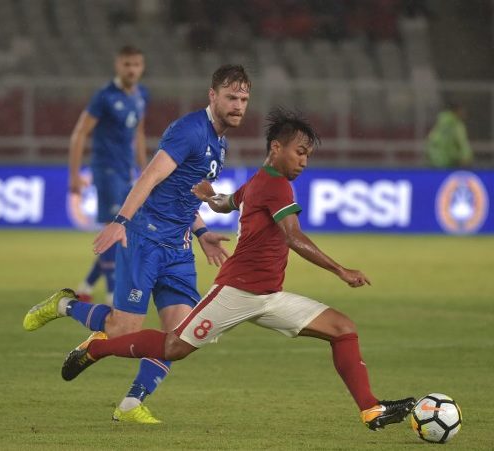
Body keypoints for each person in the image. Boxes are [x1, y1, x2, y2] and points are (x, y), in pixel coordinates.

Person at [61, 107, 416, 431]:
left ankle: (371, 409)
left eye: (308, 154)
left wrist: (208, 194)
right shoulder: (277, 186)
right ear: (276, 148)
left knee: (342, 328)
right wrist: (341, 270)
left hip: (268, 297)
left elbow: (226, 203)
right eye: (300, 151)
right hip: (236, 293)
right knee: (174, 347)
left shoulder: (259, 182)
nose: (305, 161)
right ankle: (98, 349)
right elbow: (293, 237)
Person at [24, 65, 251, 423]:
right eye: (231, 97)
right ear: (212, 95)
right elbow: (150, 176)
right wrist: (120, 222)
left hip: (177, 249)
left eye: (243, 99)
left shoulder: (219, 143)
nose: (238, 105)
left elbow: (184, 192)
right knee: (122, 330)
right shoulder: (190, 130)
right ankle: (64, 304)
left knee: (181, 336)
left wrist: (202, 232)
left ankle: (131, 404)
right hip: (145, 239)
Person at [68, 45, 149, 305]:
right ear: (118, 65)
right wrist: (74, 175)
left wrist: (145, 169)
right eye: (127, 64)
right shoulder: (104, 96)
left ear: (142, 67)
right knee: (113, 231)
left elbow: (138, 132)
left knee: (125, 233)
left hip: (126, 174)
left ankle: (86, 286)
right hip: (105, 172)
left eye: (136, 64)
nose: (132, 69)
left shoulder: (140, 96)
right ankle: (114, 296)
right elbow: (79, 133)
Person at [425, 103, 473, 168]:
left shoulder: (441, 122)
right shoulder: (456, 125)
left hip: (435, 159)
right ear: (457, 111)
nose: (465, 113)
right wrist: (466, 156)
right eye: (463, 111)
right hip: (446, 160)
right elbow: (462, 142)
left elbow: (432, 139)